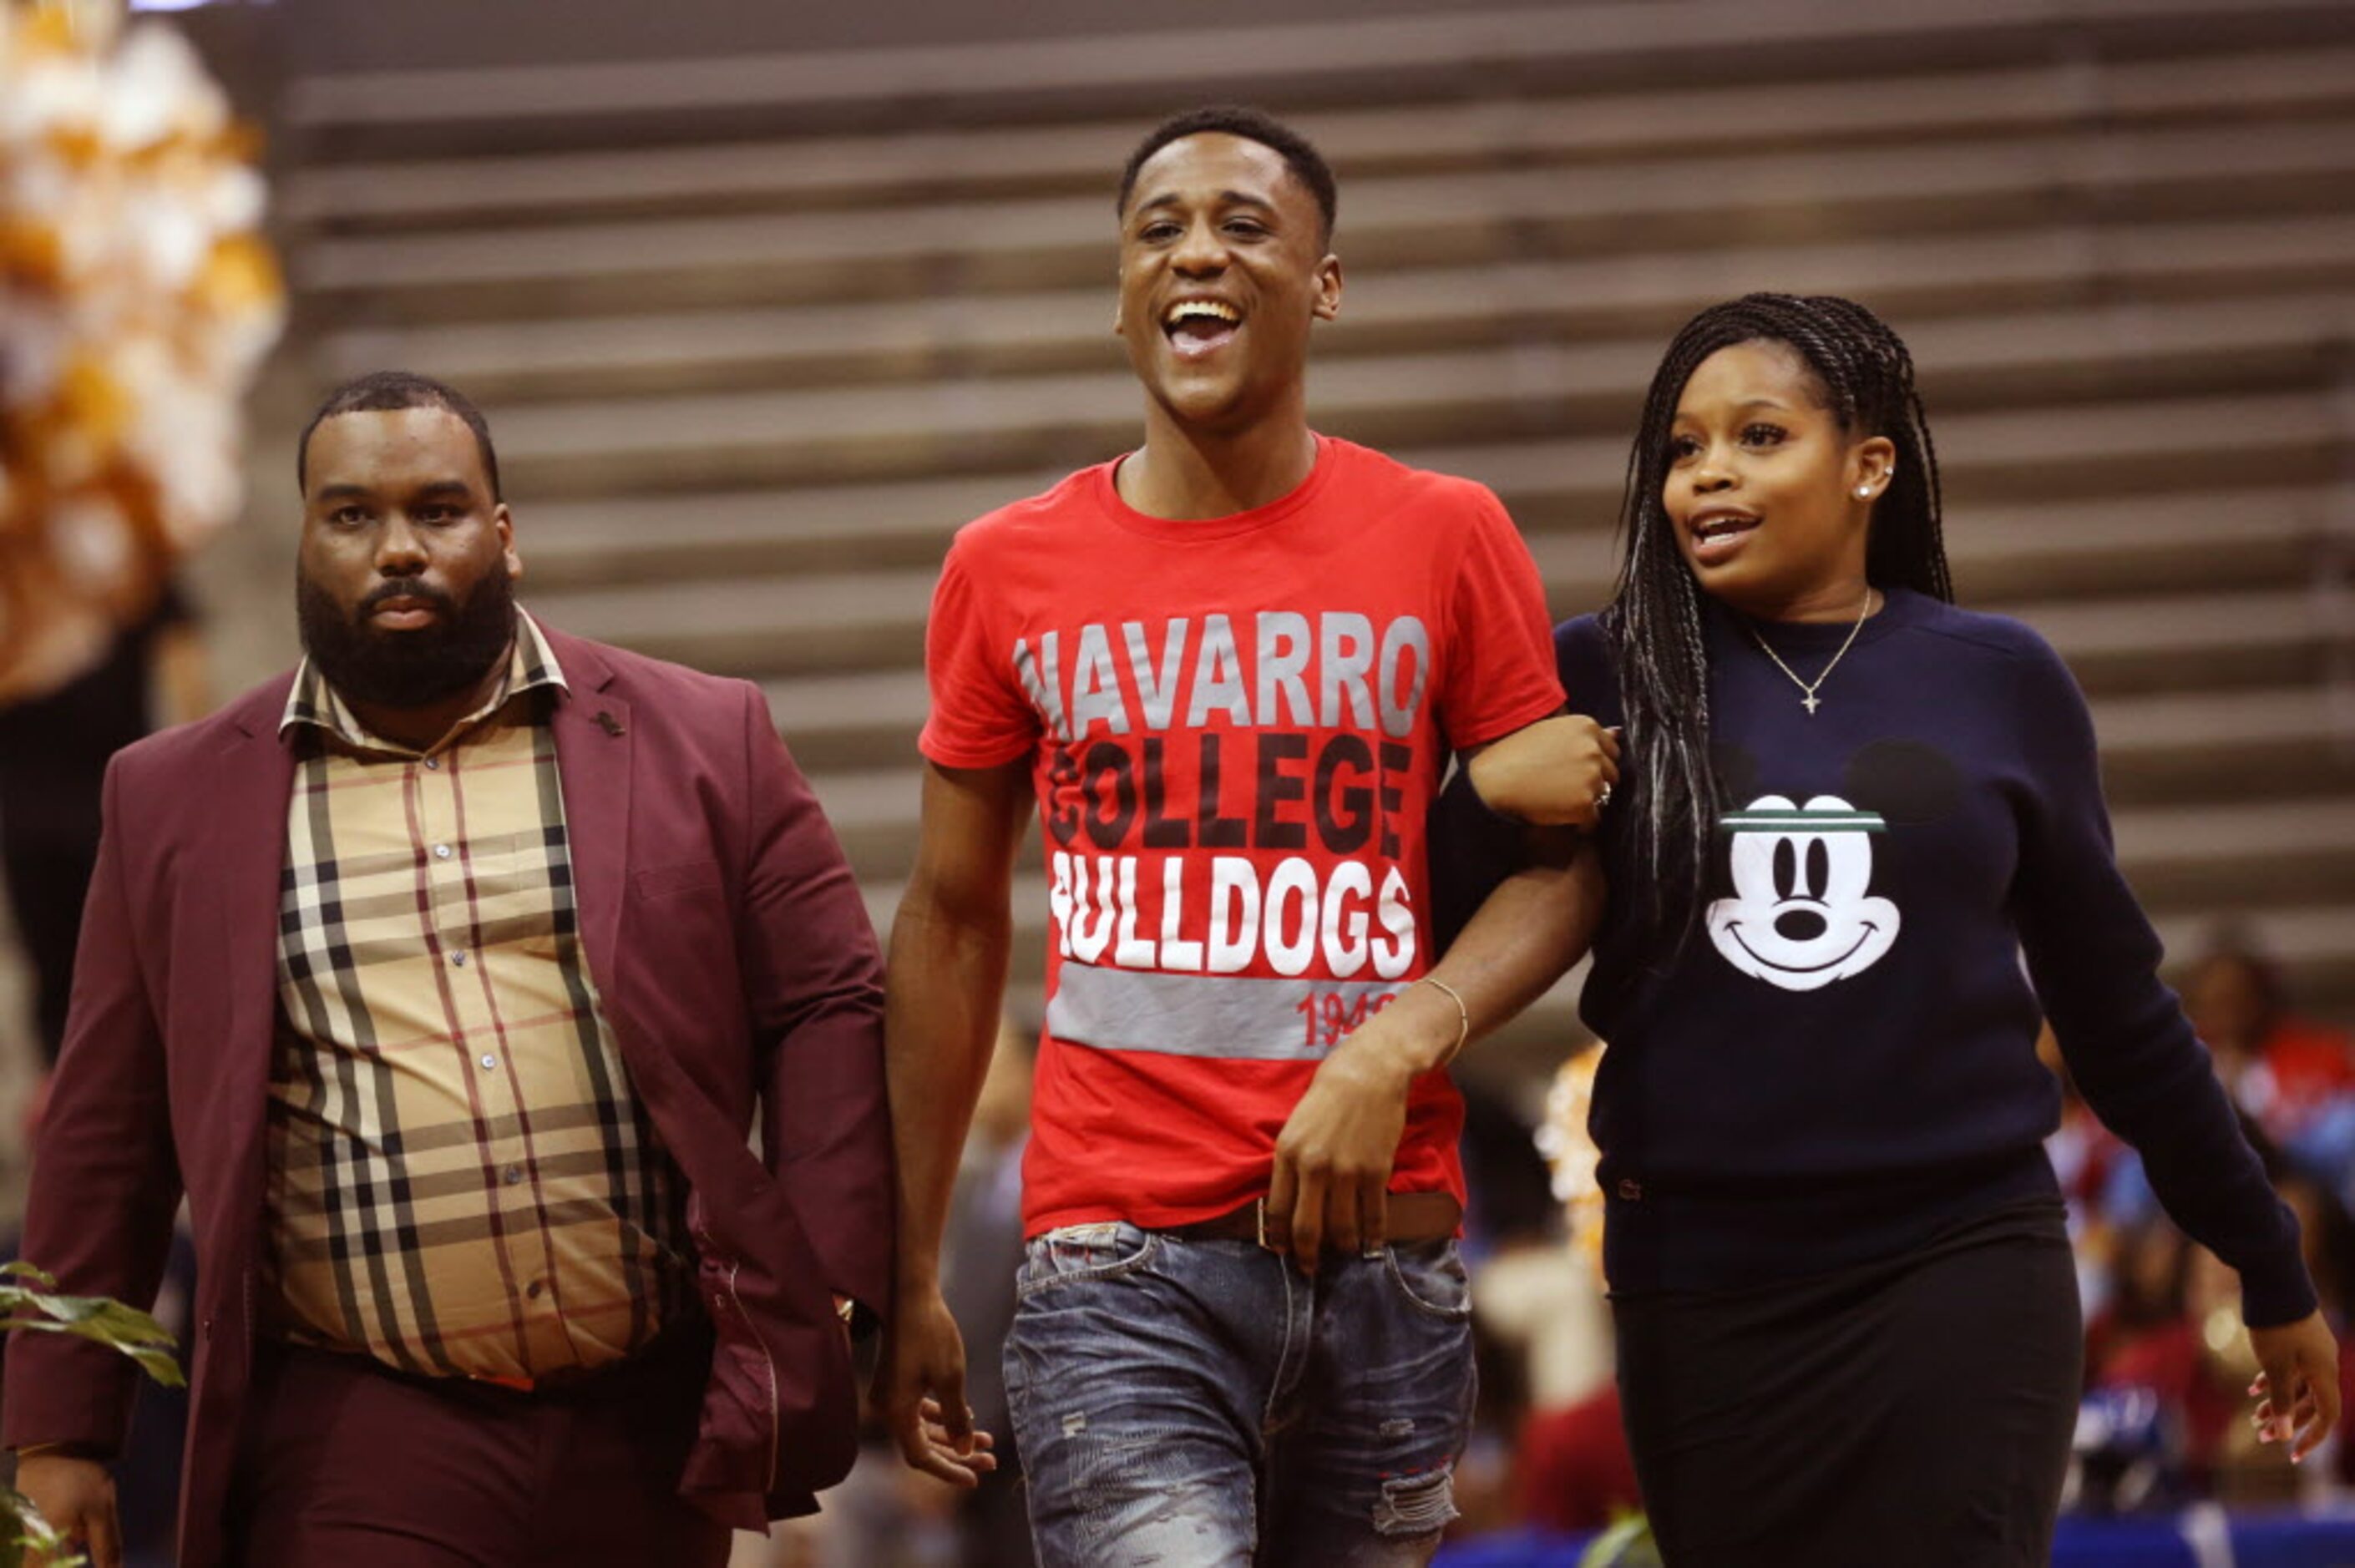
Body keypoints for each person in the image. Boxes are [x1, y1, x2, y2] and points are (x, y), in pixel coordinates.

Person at [1452, 292, 2342, 1564]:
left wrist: (2267, 1261)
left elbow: (2121, 1013)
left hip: (1960, 1257)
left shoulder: (2001, 678)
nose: (1709, 472)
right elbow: (1432, 911)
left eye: (1758, 436)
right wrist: (1481, 794)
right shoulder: (1605, 673)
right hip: (1702, 1281)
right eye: (1683, 447)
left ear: (1870, 463)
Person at [874, 105, 1615, 1567]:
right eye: (1159, 230)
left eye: (1244, 225)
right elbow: (953, 920)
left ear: (1325, 283)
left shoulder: (1448, 532)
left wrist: (1394, 1041)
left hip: (1391, 1262)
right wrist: (904, 1271)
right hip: (1115, 1269)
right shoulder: (1003, 567)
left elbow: (1563, 862)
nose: (1196, 253)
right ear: (1121, 292)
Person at [2, 372, 891, 1568]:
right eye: (353, 515)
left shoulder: (701, 736)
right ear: (304, 538)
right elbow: (107, 1130)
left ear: (505, 535)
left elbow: (827, 997)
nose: (398, 549)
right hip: (360, 1424)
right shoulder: (171, 799)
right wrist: (61, 1432)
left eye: (438, 510)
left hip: (648, 1416)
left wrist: (828, 1286)